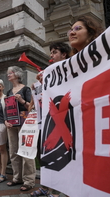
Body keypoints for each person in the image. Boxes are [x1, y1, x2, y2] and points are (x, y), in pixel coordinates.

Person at [31, 42, 70, 197]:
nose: (51, 55)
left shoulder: (70, 69)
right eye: (51, 52)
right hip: (47, 121)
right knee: (45, 154)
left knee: (62, 155)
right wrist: (39, 87)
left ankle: (58, 190)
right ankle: (46, 186)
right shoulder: (49, 72)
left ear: (64, 54)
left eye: (54, 52)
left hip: (63, 120)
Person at [5, 66, 35, 192]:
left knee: (26, 151)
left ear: (17, 74)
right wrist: (5, 120)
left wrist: (22, 100)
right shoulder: (8, 92)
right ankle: (17, 177)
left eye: (10, 73)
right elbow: (7, 108)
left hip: (25, 123)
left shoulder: (26, 89)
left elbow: (31, 107)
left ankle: (29, 180)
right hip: (11, 124)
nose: (8, 75)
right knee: (13, 151)